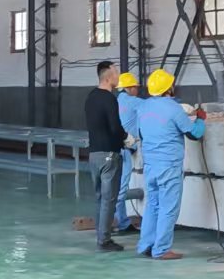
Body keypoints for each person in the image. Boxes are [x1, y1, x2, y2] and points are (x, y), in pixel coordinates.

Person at [122, 69, 206, 261]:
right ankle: (161, 249)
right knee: (168, 207)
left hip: (150, 165)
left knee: (153, 205)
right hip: (168, 165)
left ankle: (146, 244)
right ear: (169, 88)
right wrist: (201, 119)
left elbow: (140, 133)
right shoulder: (173, 108)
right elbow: (194, 133)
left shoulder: (143, 107)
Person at [85, 61, 127, 251]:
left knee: (100, 198)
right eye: (116, 72)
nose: (118, 76)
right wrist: (126, 138)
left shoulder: (91, 97)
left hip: (94, 154)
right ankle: (104, 240)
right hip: (109, 154)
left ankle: (101, 235)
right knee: (109, 199)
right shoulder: (109, 99)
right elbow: (115, 127)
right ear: (108, 77)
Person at [116, 71, 142, 233]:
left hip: (115, 147)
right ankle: (121, 223)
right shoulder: (133, 101)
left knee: (114, 184)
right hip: (124, 148)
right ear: (130, 88)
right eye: (136, 88)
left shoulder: (116, 100)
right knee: (122, 186)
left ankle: (118, 220)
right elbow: (154, 107)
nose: (137, 90)